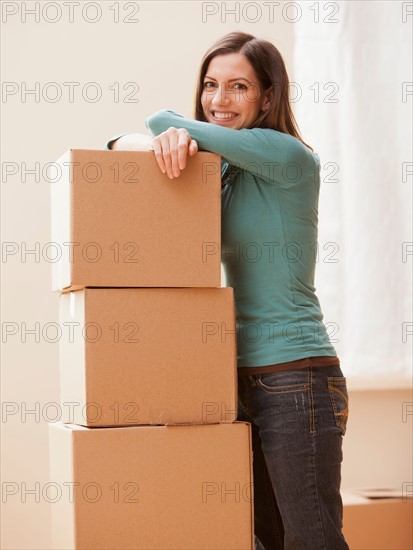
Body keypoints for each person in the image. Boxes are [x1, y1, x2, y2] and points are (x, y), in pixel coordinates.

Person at [105, 31, 349, 550]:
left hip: (296, 377)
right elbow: (117, 146)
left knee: (312, 540)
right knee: (261, 539)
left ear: (268, 95)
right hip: (233, 377)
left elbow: (160, 121)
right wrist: (153, 146)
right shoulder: (223, 174)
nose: (219, 100)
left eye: (238, 86)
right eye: (211, 85)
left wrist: (165, 134)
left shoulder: (287, 157)